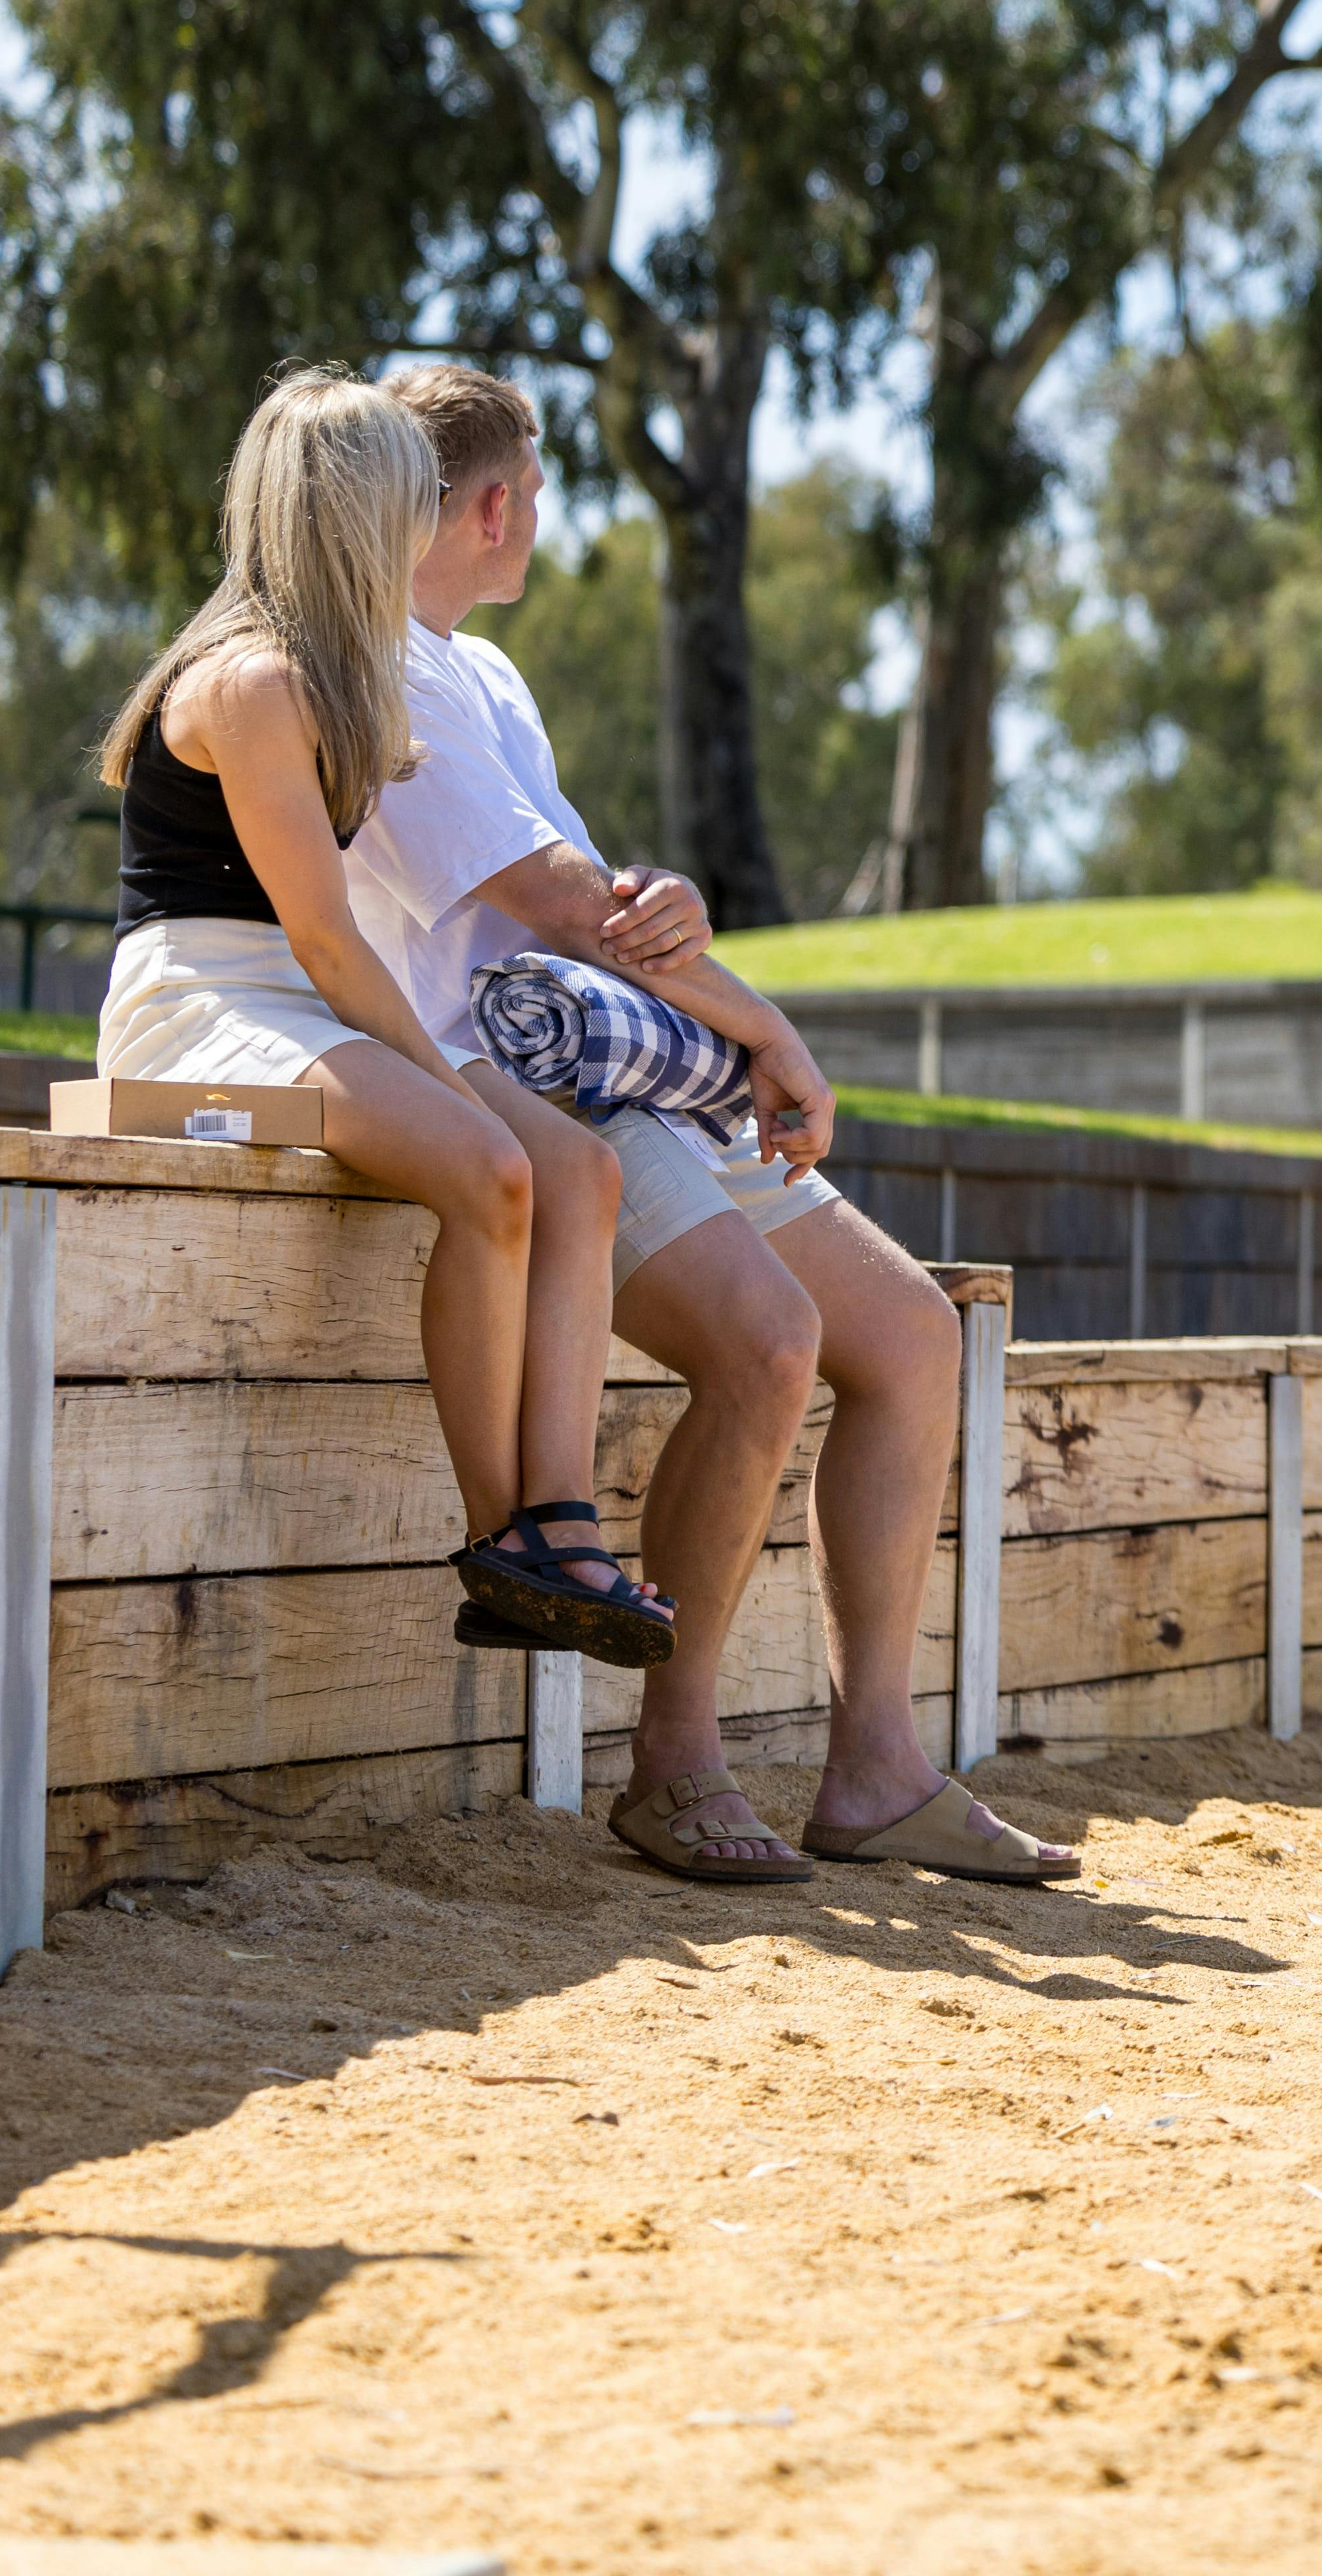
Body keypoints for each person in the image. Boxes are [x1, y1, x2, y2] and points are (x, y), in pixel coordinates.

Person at [350, 363, 1075, 1893]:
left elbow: (604, 908)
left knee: (911, 1339)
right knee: (768, 1344)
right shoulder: (385, 675)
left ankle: (875, 1765)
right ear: (491, 505)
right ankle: (676, 1765)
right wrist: (765, 1029)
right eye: (534, 494)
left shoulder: (485, 679)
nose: (536, 519)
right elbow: (553, 907)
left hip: (617, 1056)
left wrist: (692, 975)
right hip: (525, 1073)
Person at [95, 368, 666, 1663]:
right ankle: (502, 1540)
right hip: (201, 996)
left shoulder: (340, 675)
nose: (439, 525)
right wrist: (449, 1080)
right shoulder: (253, 681)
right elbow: (321, 936)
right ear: (357, 515)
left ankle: (559, 1516)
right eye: (418, 503)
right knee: (488, 1164)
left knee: (568, 1164)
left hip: (302, 997)